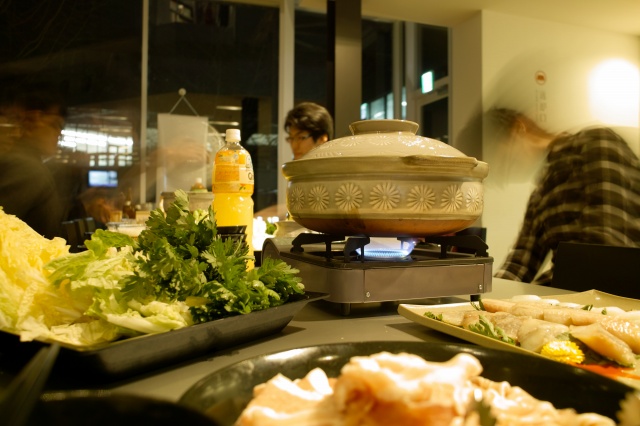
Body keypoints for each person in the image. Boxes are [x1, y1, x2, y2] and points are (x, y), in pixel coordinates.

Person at [491, 108, 640, 285]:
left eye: (506, 158)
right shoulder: (542, 190)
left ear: (519, 128)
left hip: (620, 290)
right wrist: (490, 293)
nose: (509, 167)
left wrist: (541, 293)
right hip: (575, 289)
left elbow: (605, 250)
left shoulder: (597, 143)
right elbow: (520, 262)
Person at [0, 85, 67, 239]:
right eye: (55, 125)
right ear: (32, 120)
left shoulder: (30, 165)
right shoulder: (26, 168)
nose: (58, 134)